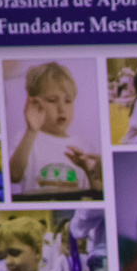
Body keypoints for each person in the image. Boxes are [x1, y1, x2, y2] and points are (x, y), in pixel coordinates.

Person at [8, 61, 97, 199]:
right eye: (52, 100)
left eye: (68, 101)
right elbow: (14, 176)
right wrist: (31, 131)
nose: (62, 108)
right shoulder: (26, 139)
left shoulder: (84, 146)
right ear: (34, 103)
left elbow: (94, 194)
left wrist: (90, 173)